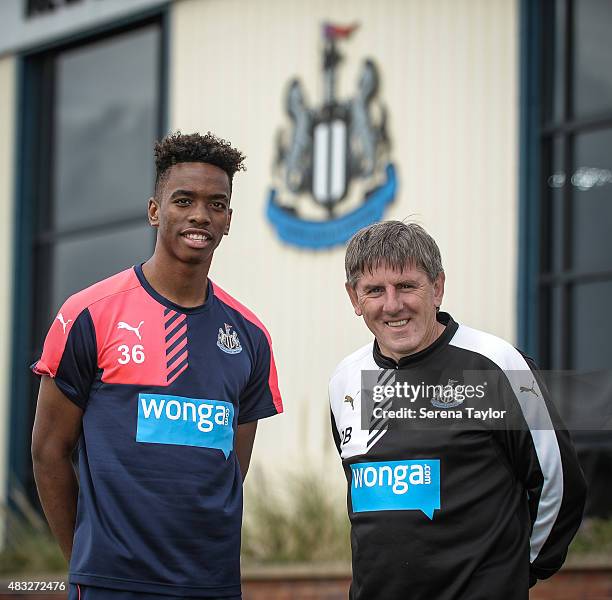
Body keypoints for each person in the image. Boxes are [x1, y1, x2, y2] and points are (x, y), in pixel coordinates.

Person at [31, 132, 283, 600]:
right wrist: (86, 559)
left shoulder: (250, 336)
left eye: (216, 204)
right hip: (111, 584)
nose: (199, 216)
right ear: (154, 210)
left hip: (213, 584)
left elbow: (231, 469)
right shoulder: (89, 315)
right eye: (183, 200)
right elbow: (48, 453)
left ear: (229, 220)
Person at [329, 221, 586, 600]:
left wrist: (521, 569)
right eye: (374, 290)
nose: (392, 304)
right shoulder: (346, 379)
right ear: (354, 298)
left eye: (407, 286)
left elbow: (557, 483)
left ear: (438, 288)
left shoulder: (497, 365)